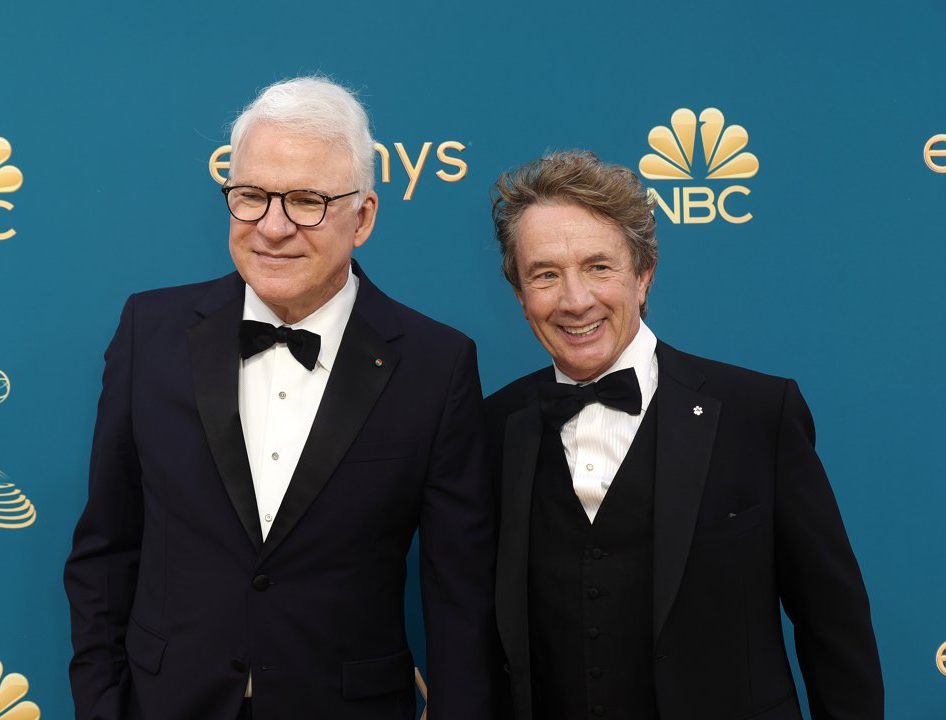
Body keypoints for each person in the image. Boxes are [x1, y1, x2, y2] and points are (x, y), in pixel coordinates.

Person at [64, 76, 497, 720]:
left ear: (365, 216)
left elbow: (460, 600)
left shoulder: (435, 365)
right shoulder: (147, 334)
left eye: (306, 201)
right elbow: (106, 550)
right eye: (252, 196)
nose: (273, 227)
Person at [485, 150, 883, 720]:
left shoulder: (758, 414)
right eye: (545, 275)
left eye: (599, 267)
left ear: (644, 275)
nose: (575, 300)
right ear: (521, 296)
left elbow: (834, 624)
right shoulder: (493, 427)